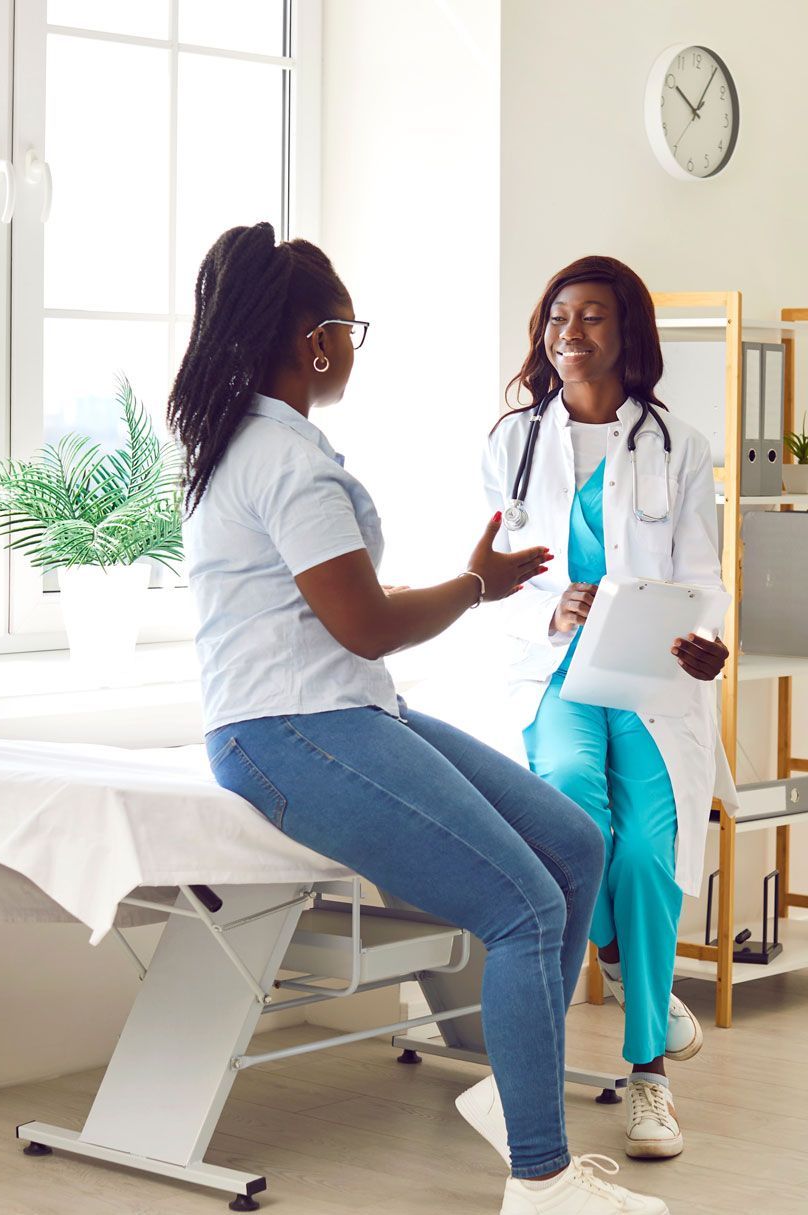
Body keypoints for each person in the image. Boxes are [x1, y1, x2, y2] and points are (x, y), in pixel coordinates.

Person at [174, 223, 670, 1215]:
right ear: (316, 340)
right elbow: (362, 624)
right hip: (290, 731)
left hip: (341, 710)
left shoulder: (265, 446)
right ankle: (541, 1180)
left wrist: (466, 585)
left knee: (573, 843)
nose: (354, 346)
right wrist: (477, 587)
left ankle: (511, 1089)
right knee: (524, 906)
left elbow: (336, 604)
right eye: (349, 328)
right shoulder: (285, 461)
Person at [479, 256, 735, 1161]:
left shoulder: (681, 442)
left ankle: (650, 1079)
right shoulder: (512, 441)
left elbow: (702, 576)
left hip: (649, 676)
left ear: (629, 332)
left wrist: (710, 641)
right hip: (551, 671)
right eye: (558, 315)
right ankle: (637, 975)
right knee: (575, 812)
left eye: (591, 315)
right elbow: (490, 571)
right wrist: (546, 608)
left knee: (643, 848)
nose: (570, 332)